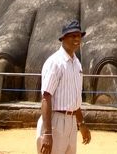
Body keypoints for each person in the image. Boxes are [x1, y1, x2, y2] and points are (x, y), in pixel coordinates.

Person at [37, 20, 91, 154]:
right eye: (73, 36)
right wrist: (47, 134)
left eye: (79, 36)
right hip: (56, 121)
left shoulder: (76, 64)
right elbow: (46, 97)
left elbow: (74, 98)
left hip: (72, 122)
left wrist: (81, 124)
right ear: (63, 38)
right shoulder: (55, 63)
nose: (77, 39)